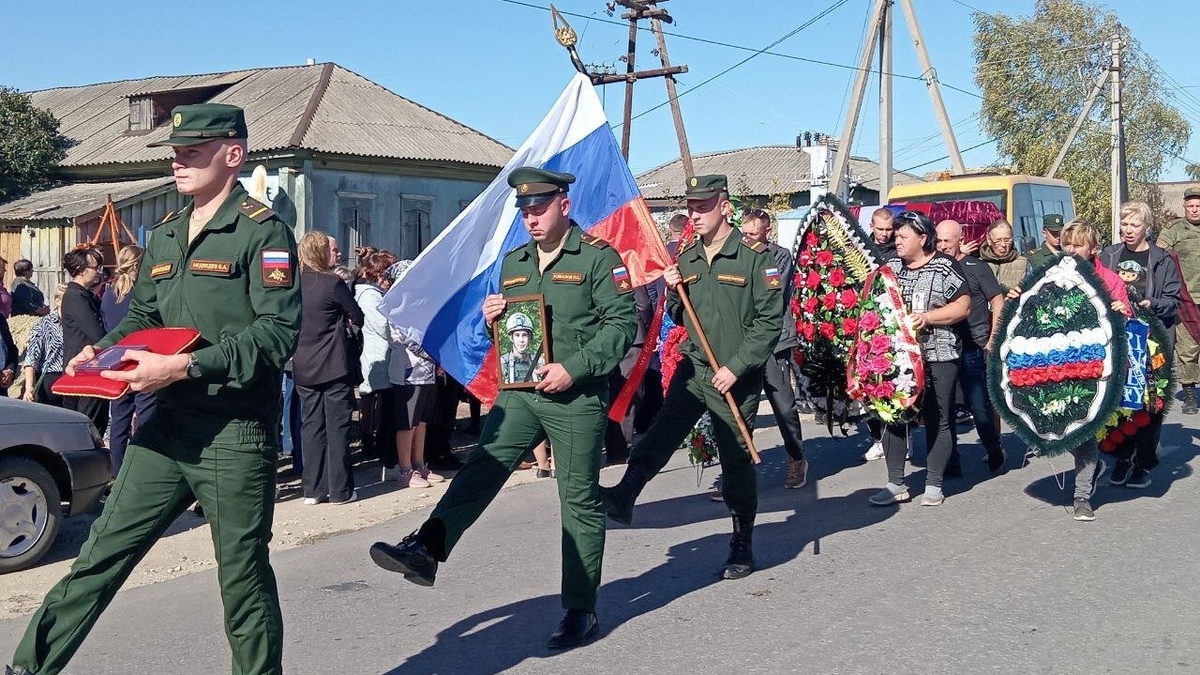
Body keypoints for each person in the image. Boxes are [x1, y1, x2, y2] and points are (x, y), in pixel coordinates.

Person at [6, 103, 301, 675]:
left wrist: (185, 368)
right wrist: (104, 348)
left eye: (192, 152)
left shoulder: (263, 232)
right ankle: (28, 668)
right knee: (100, 554)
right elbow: (143, 313)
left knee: (242, 578)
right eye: (175, 152)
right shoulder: (164, 234)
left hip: (232, 432)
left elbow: (278, 333)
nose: (178, 161)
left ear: (232, 156)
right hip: (165, 428)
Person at [369, 167, 637, 650]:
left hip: (575, 398)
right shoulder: (515, 263)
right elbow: (522, 333)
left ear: (564, 206)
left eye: (539, 208)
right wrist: (495, 319)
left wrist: (573, 368)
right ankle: (428, 547)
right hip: (521, 393)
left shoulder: (599, 260)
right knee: (482, 468)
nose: (531, 218)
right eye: (525, 211)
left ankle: (581, 608)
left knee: (577, 501)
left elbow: (620, 328)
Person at [600, 174, 783, 579]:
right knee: (663, 432)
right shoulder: (688, 258)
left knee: (735, 458)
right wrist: (673, 292)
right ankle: (626, 494)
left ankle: (742, 541)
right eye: (691, 206)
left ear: (724, 206)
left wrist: (735, 367)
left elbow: (769, 323)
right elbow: (680, 316)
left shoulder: (756, 260)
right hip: (695, 366)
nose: (695, 214)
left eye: (702, 206)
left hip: (735, 376)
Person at [869, 211, 970, 508]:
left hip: (939, 355)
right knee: (894, 416)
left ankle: (934, 483)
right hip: (896, 357)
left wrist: (927, 318)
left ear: (922, 238)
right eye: (895, 236)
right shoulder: (890, 268)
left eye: (903, 236)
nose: (896, 241)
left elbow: (962, 307)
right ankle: (895, 483)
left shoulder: (944, 266)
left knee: (938, 418)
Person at [1100, 201, 1182, 488]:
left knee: (1149, 403)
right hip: (1118, 338)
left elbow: (1175, 301)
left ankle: (1143, 462)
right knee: (1119, 403)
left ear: (1147, 227)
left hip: (1152, 339)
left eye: (1135, 225)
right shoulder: (1109, 255)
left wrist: (1152, 303)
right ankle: (1122, 456)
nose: (1128, 230)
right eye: (1124, 224)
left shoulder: (1162, 259)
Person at [1056, 219, 1131, 520]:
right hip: (1057, 366)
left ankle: (1082, 495)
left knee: (1085, 429)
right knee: (1060, 430)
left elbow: (1127, 320)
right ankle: (1094, 464)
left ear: (1093, 249)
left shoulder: (1111, 280)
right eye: (1067, 244)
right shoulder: (1050, 277)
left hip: (1098, 367)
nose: (1071, 250)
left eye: (1078, 245)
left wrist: (1121, 312)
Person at [294, 230, 364, 506]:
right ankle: (340, 490)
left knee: (311, 427)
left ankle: (312, 489)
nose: (336, 254)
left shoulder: (293, 285)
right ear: (320, 252)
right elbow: (357, 315)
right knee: (337, 426)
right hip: (334, 364)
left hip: (304, 364)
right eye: (331, 249)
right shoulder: (332, 284)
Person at [742, 207, 807, 488]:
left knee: (783, 406)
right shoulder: (739, 255)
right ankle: (738, 474)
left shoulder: (779, 256)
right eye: (744, 234)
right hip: (743, 342)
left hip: (774, 341)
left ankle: (796, 458)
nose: (747, 240)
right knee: (743, 408)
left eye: (753, 235)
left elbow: (770, 295)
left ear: (767, 232)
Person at [936, 220, 1006, 473]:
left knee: (979, 407)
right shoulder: (934, 268)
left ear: (960, 239)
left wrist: (993, 338)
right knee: (946, 408)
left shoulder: (976, 267)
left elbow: (997, 301)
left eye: (948, 241)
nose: (943, 246)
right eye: (939, 240)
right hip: (943, 347)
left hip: (974, 346)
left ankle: (993, 446)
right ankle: (951, 459)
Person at [386, 258, 445, 488]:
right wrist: (433, 355)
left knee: (421, 421)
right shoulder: (394, 305)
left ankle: (419, 463)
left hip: (427, 371)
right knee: (407, 422)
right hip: (407, 372)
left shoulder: (420, 303)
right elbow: (405, 338)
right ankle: (405, 470)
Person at [100, 245, 157, 478]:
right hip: (143, 359)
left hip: (117, 360)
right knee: (147, 417)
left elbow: (106, 326)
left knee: (119, 421)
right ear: (137, 265)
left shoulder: (108, 294)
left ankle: (117, 473)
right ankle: (144, 470)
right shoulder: (143, 295)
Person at [355, 249, 399, 479]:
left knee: (380, 401)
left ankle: (378, 444)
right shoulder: (369, 296)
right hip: (377, 354)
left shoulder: (376, 294)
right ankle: (376, 446)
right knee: (378, 401)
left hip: (384, 354)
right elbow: (383, 326)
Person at [1157, 187, 1200, 414]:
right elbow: (1160, 258)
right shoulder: (1174, 230)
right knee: (1188, 349)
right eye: (1191, 206)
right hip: (1186, 299)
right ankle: (1190, 395)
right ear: (1184, 207)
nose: (1195, 210)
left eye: (1198, 206)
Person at [59, 246, 109, 431]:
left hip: (85, 367)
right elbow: (96, 333)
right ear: (81, 269)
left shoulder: (84, 294)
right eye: (95, 267)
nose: (98, 272)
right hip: (83, 368)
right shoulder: (75, 296)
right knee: (88, 425)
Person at [20, 284, 67, 406]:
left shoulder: (78, 323)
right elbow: (31, 357)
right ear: (57, 301)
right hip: (50, 379)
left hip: (72, 379)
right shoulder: (43, 325)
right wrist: (29, 387)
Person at [979, 219, 1029, 294]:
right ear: (989, 240)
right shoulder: (978, 265)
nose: (1003, 245)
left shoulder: (1024, 263)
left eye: (1007, 240)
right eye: (998, 241)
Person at [498, 312, 545, 384]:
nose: (521, 340)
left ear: (529, 337)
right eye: (517, 335)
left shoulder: (539, 361)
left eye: (524, 335)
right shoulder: (503, 362)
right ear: (511, 338)